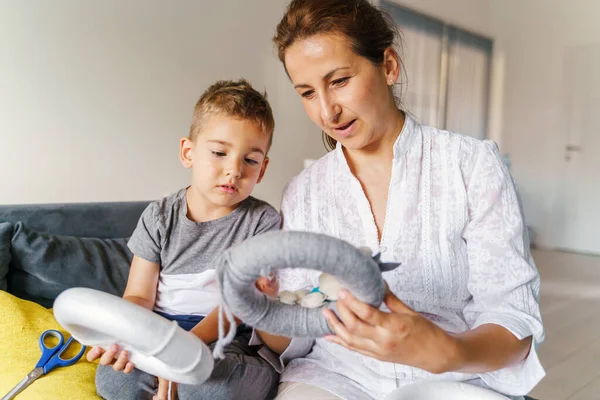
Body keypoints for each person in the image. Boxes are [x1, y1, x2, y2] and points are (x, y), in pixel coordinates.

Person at [252, 1, 545, 399]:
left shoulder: (472, 165)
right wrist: (265, 308)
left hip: (454, 378)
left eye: (339, 81)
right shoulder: (304, 192)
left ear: (389, 66)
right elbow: (300, 337)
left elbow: (515, 322)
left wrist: (449, 351)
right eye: (307, 92)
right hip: (335, 378)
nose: (327, 111)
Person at [87, 79, 281, 400]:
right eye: (219, 152)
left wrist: (180, 355)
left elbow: (237, 306)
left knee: (208, 387)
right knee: (114, 381)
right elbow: (138, 296)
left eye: (250, 160)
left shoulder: (263, 222)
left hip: (225, 334)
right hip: (160, 330)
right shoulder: (160, 216)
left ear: (262, 170)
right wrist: (128, 335)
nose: (233, 170)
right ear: (188, 153)